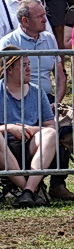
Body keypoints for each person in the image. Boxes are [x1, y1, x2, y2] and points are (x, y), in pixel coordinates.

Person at [0, 47, 58, 206]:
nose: (29, 69)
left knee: (50, 134)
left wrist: (31, 129)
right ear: (9, 69)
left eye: (29, 64)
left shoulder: (37, 92)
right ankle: (27, 190)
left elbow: (50, 126)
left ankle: (27, 192)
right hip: (3, 148)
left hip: (29, 144)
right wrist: (9, 128)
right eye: (23, 65)